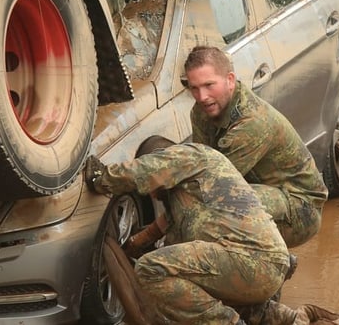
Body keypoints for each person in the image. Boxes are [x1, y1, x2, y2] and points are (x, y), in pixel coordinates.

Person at [85, 136, 290, 325]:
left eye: (151, 188)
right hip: (265, 267)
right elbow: (165, 236)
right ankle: (280, 317)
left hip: (251, 260)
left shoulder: (190, 156)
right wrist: (134, 244)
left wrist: (102, 178)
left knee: (150, 268)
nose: (152, 196)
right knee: (183, 281)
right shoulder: (190, 199)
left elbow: (143, 170)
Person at [184, 45, 328, 248]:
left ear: (230, 80)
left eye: (209, 85)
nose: (202, 96)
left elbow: (210, 185)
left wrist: (153, 231)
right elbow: (199, 164)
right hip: (260, 189)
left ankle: (269, 263)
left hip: (300, 207)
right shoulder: (201, 111)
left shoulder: (253, 122)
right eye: (194, 88)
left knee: (208, 212)